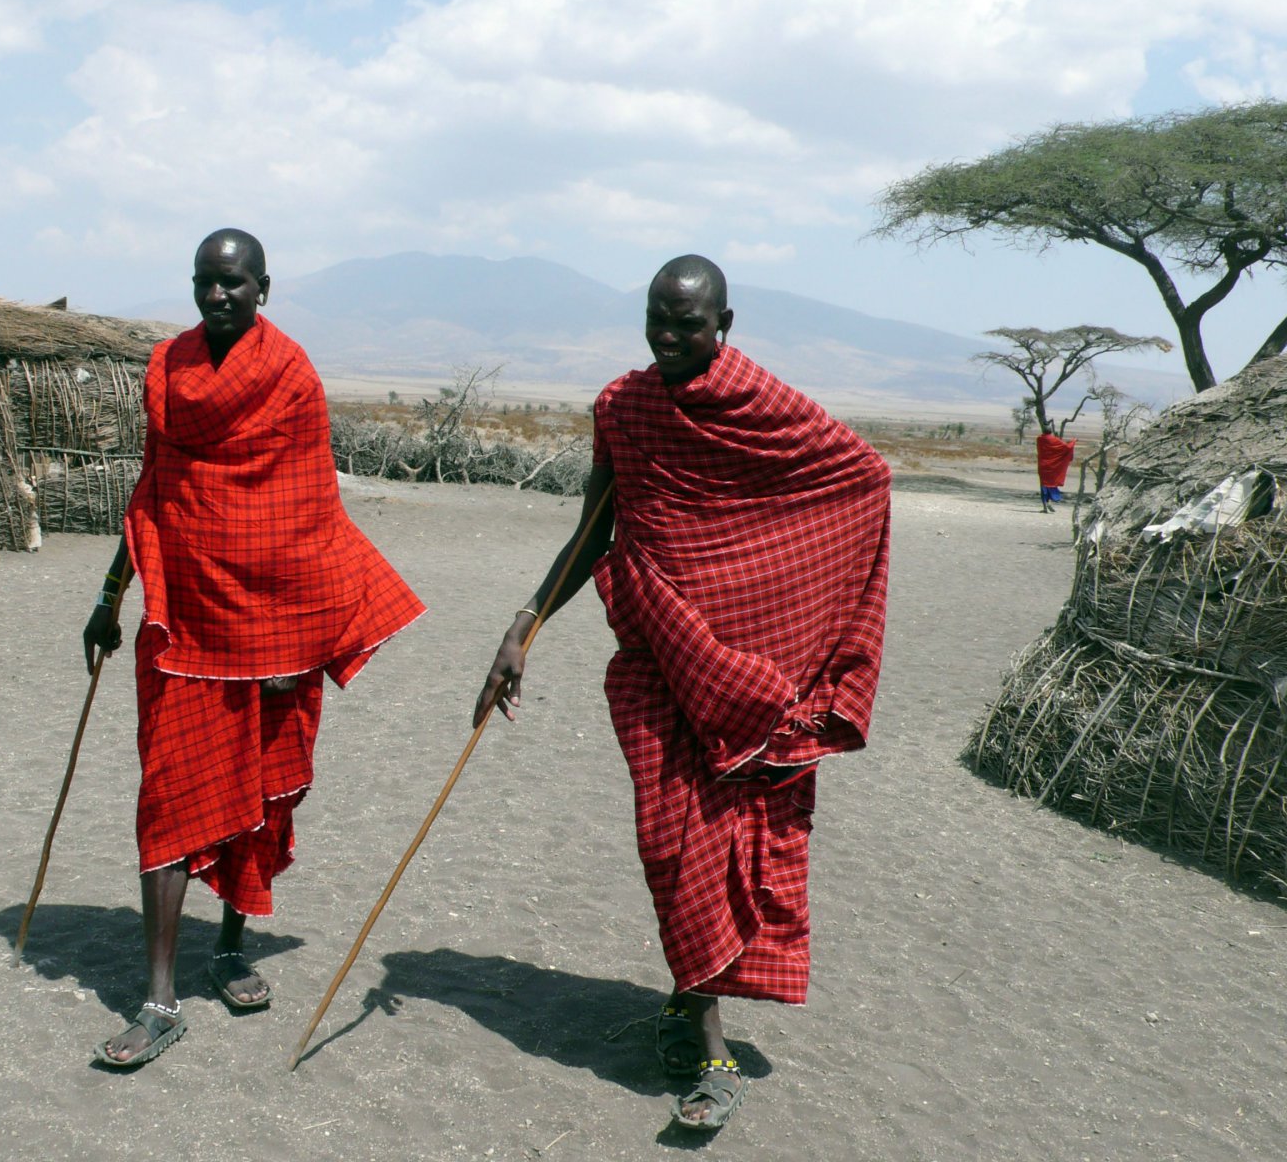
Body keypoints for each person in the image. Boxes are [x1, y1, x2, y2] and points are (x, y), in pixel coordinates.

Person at [473, 256, 891, 1131]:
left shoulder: (763, 406)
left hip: (744, 682)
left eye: (688, 324)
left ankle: (710, 1056)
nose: (669, 336)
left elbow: (861, 479)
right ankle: (690, 1001)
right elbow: (594, 531)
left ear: (724, 323)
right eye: (657, 319)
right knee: (671, 848)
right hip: (661, 670)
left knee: (708, 847)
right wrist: (523, 628)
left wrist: (793, 638)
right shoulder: (623, 410)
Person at [84, 228, 425, 1068]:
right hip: (186, 623)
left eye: (233, 283)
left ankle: (231, 948)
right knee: (166, 801)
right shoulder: (167, 370)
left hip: (274, 629)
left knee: (257, 793)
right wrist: (109, 594)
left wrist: (299, 644)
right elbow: (154, 492)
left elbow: (307, 512)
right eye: (205, 281)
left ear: (262, 288)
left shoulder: (290, 376)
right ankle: (160, 999)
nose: (217, 295)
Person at [1035, 424, 1077, 513]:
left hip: (1043, 466)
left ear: (1043, 431)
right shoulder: (1055, 440)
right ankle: (1050, 502)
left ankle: (1045, 505)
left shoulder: (1039, 439)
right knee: (1051, 484)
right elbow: (1067, 447)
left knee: (1043, 485)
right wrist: (1073, 441)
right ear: (1051, 431)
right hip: (1053, 467)